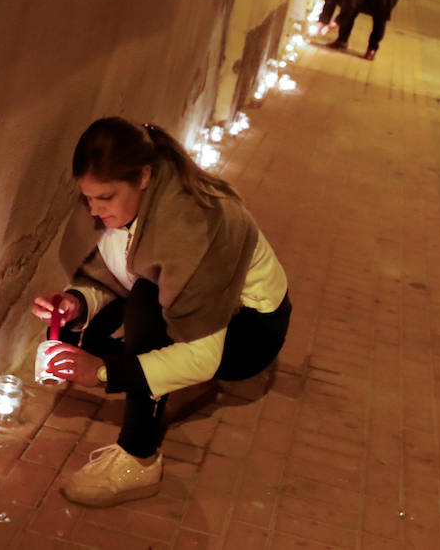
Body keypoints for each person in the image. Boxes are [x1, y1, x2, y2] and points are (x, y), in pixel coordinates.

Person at [35, 118, 291, 507]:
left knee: (144, 307)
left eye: (104, 198)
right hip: (199, 308)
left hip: (251, 332)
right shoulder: (136, 202)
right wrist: (77, 303)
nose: (93, 208)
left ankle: (140, 459)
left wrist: (104, 373)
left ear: (143, 177)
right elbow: (116, 272)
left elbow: (200, 356)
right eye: (87, 197)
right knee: (112, 319)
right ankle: (162, 378)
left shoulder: (192, 228)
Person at [314, 0, 401, 60]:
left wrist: (334, 24)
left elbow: (349, 7)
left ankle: (372, 49)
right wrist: (322, 22)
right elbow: (329, 3)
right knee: (350, 11)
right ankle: (342, 41)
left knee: (379, 19)